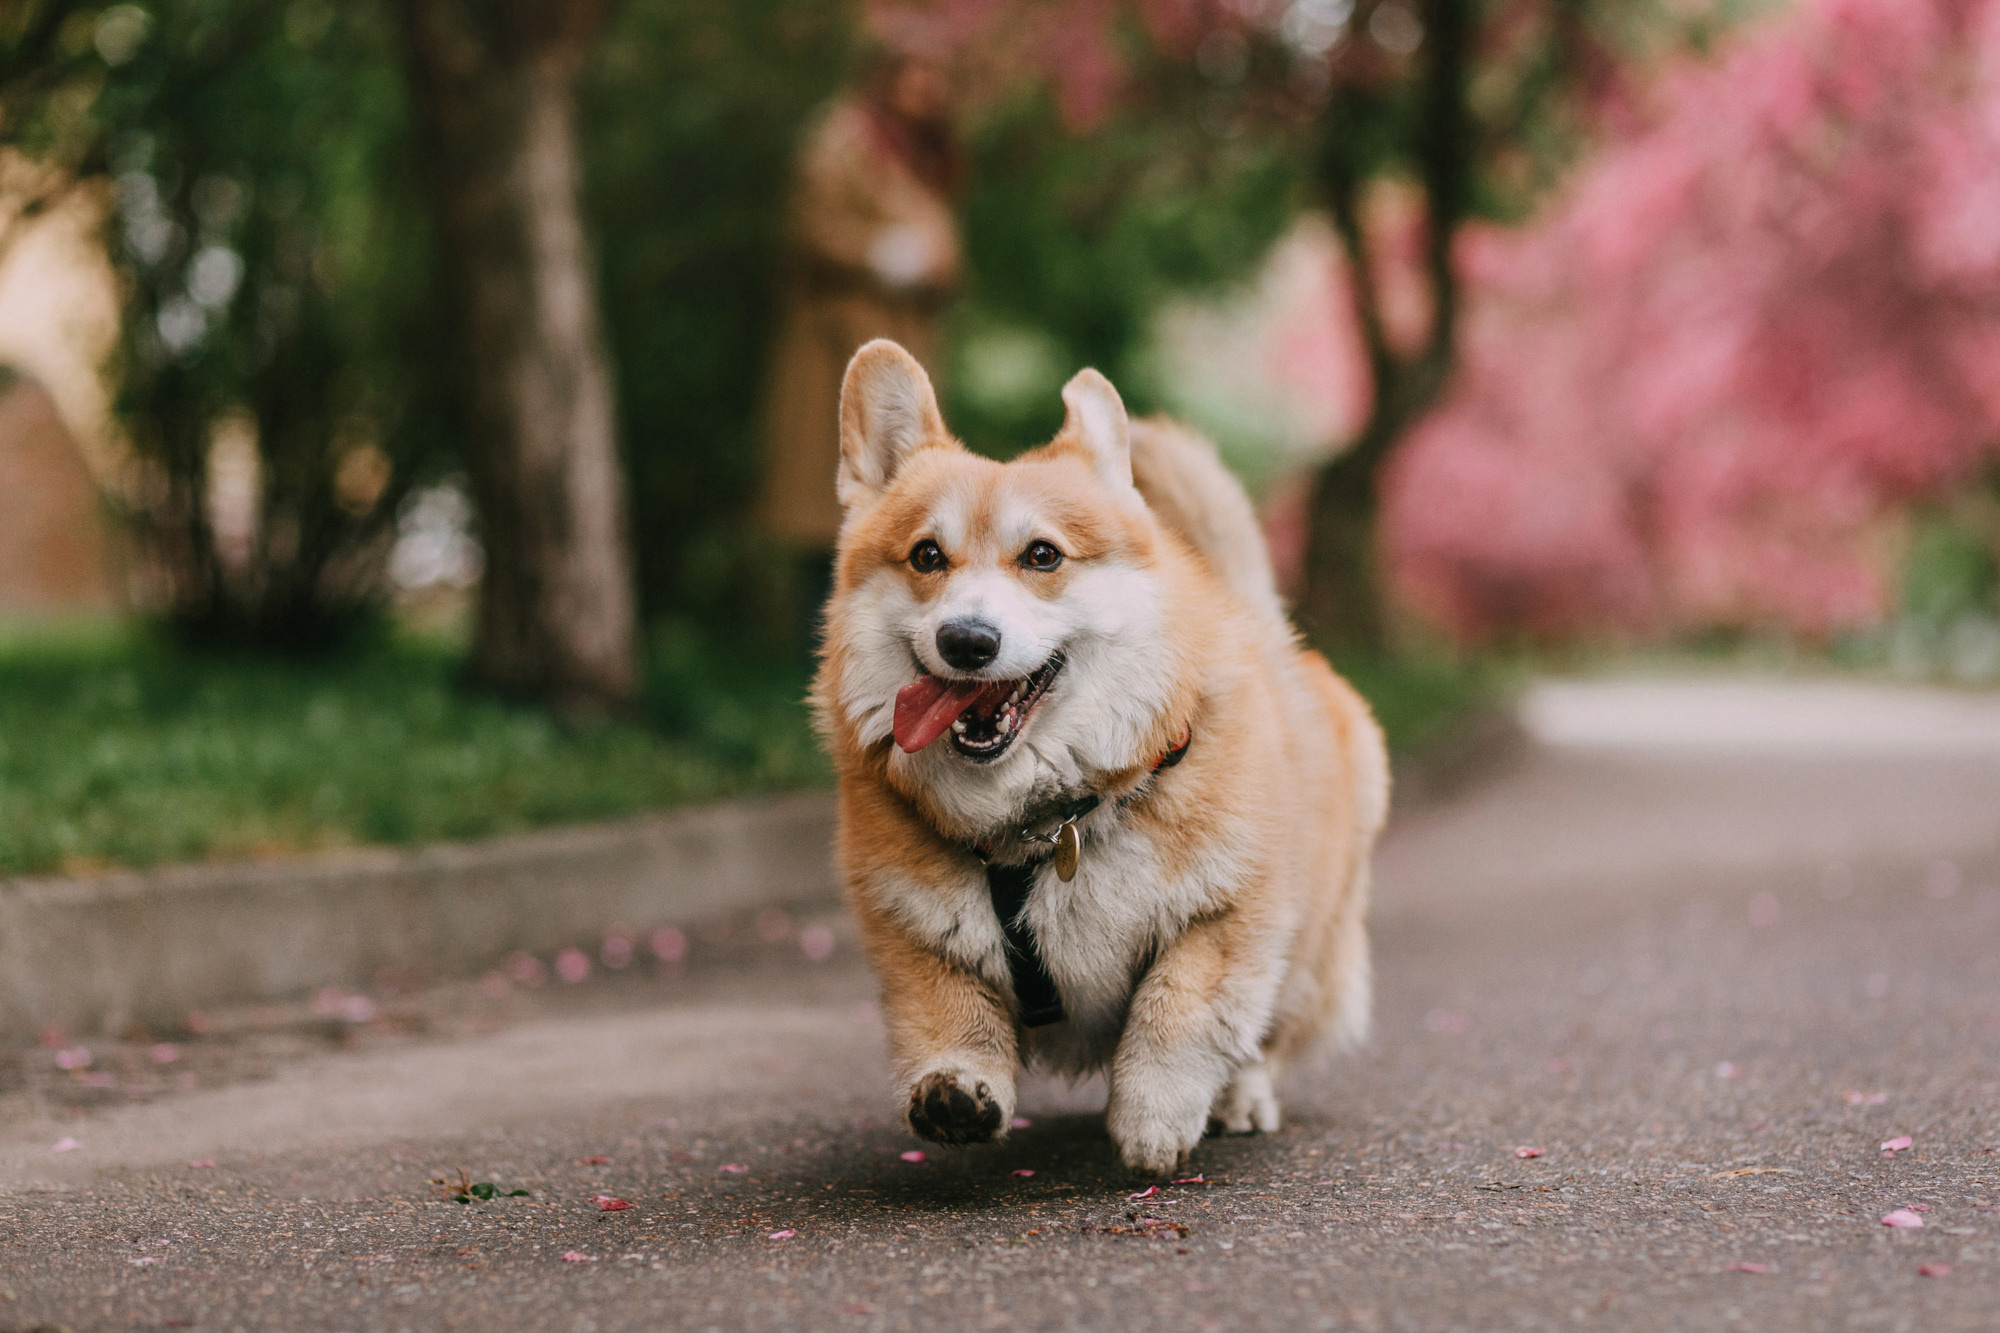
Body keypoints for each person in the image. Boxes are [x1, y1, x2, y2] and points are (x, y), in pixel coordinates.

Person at [757, 43, 963, 606]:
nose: (925, 92)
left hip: (905, 350)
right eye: (915, 76)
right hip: (836, 349)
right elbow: (811, 226)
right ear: (886, 77)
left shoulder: (921, 156)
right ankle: (817, 642)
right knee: (827, 506)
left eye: (934, 79)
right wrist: (883, 254)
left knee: (899, 506)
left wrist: (934, 263)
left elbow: (945, 249)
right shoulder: (842, 140)